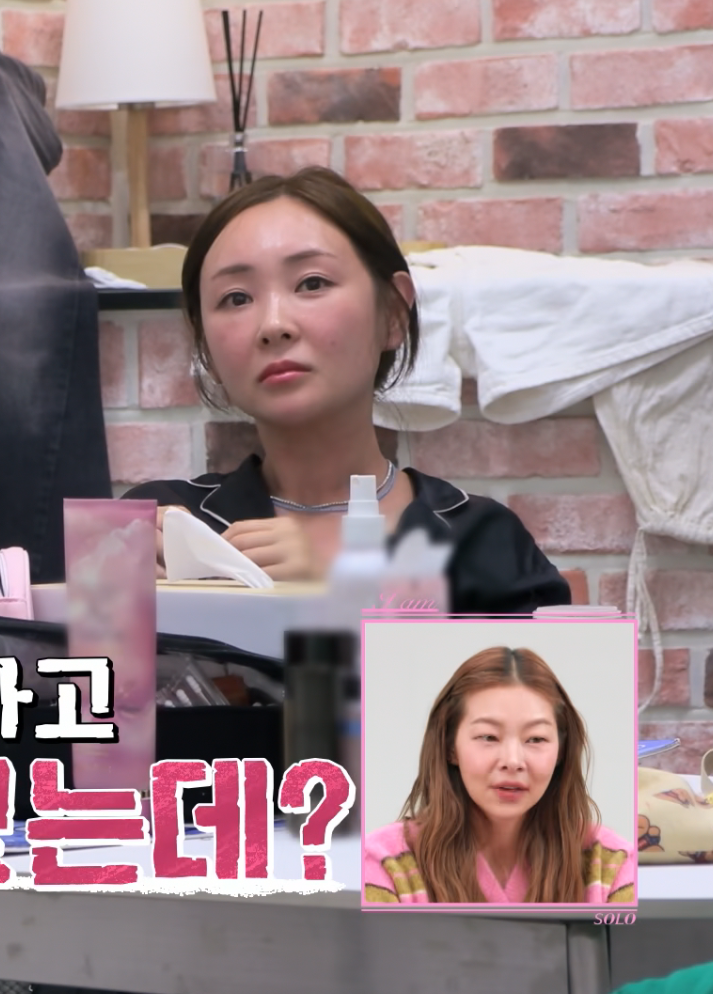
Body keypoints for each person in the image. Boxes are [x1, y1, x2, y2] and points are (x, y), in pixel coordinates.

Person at [124, 167, 571, 616]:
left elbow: (536, 665)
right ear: (205, 346)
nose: (273, 325)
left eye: (312, 283)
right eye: (236, 298)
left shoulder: (481, 543)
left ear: (392, 313)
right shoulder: (164, 523)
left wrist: (340, 595)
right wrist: (105, 586)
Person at [363, 646, 636, 903]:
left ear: (561, 752)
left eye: (536, 739)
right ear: (450, 747)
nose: (512, 761)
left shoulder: (610, 864)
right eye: (488, 737)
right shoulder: (387, 862)